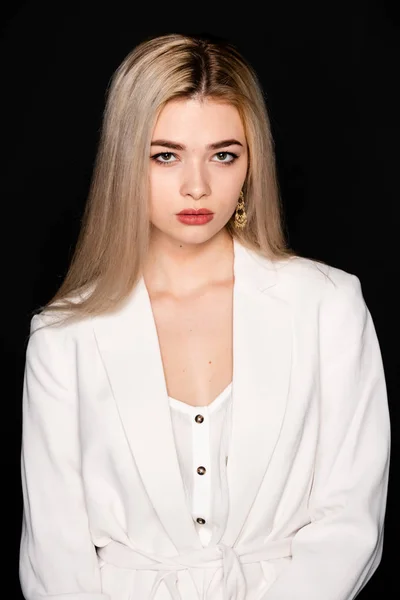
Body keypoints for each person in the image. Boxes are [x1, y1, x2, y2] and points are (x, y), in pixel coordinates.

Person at [19, 32, 390, 600]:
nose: (197, 186)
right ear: (125, 161)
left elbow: (350, 521)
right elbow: (54, 553)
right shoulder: (63, 336)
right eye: (165, 155)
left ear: (250, 161)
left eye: (223, 154)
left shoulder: (327, 306)